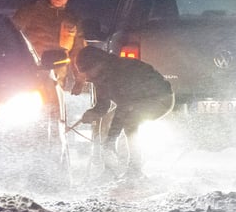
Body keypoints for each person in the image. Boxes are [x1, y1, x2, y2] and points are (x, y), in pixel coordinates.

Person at [73, 46, 174, 180]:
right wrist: (93, 113)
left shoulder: (121, 71)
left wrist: (112, 139)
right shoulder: (99, 76)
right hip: (133, 102)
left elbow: (124, 106)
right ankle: (110, 169)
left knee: (131, 120)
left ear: (99, 63)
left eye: (88, 70)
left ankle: (135, 169)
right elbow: (103, 105)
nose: (87, 76)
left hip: (160, 99)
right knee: (108, 121)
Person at [11, 0, 86, 89]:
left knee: (54, 105)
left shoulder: (72, 19)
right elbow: (11, 34)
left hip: (58, 76)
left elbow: (78, 51)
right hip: (32, 69)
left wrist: (80, 79)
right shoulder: (31, 10)